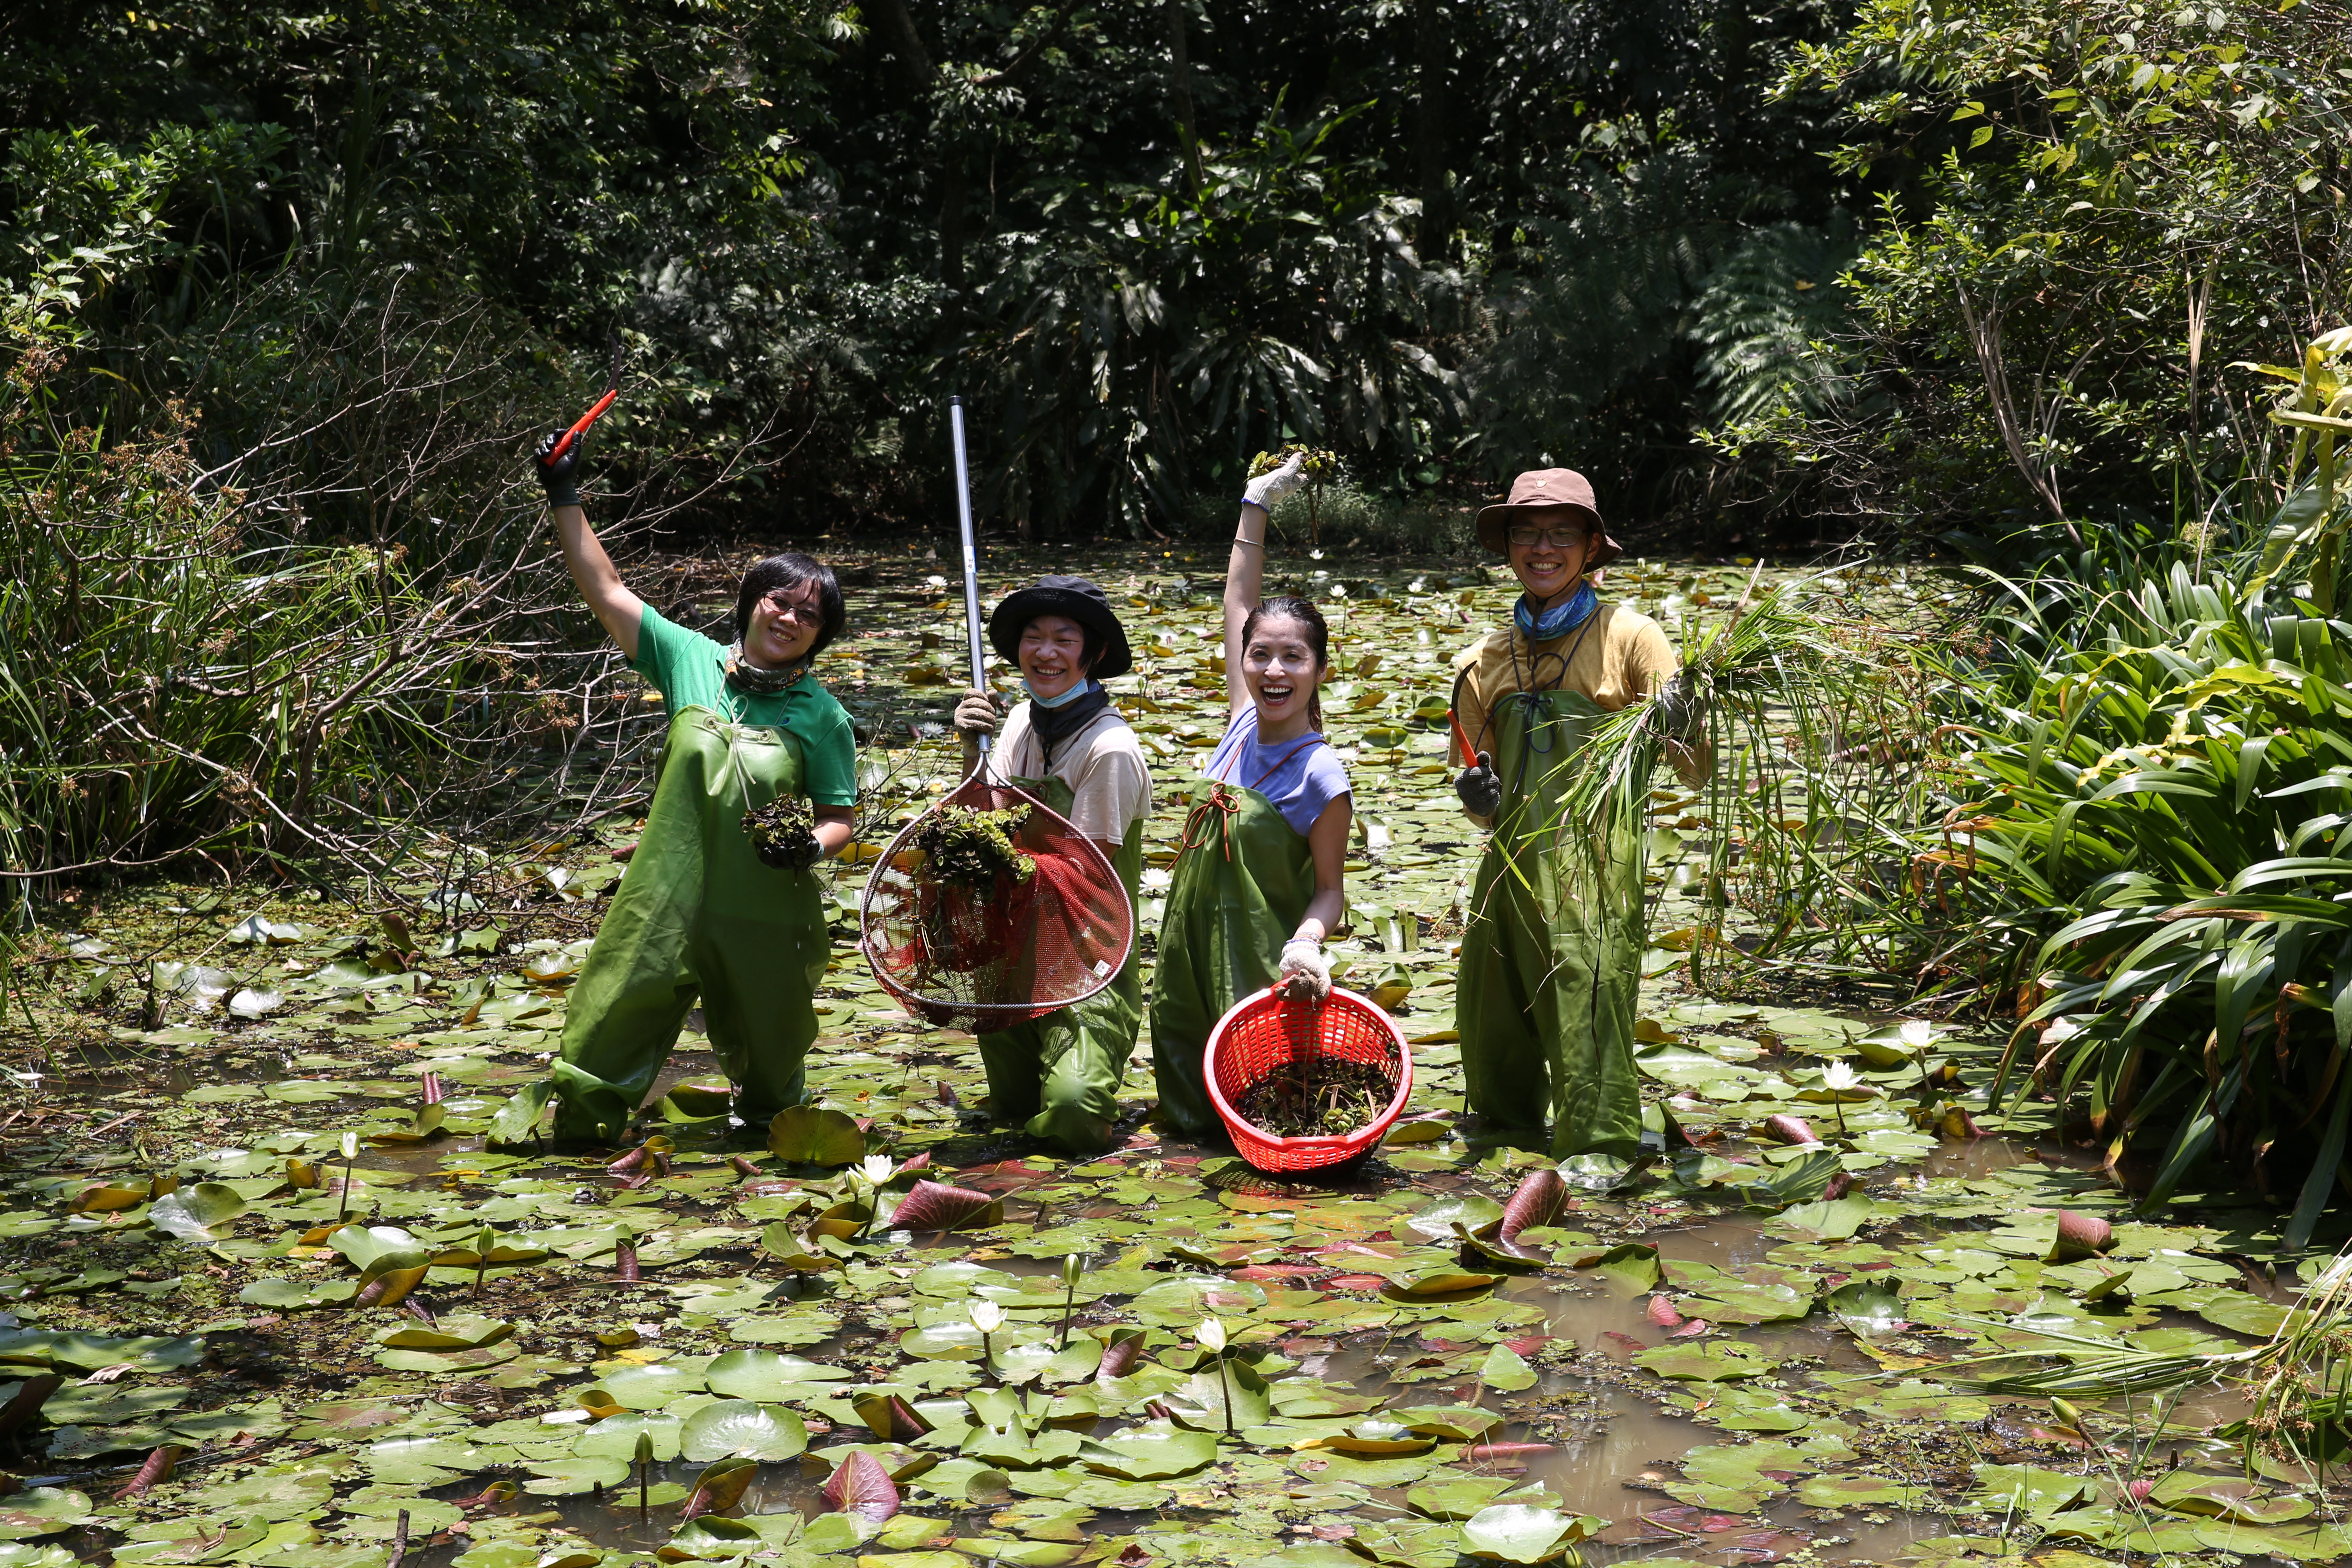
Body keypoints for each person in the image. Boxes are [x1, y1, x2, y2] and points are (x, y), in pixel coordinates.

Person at [530, 432, 857, 1146]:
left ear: (818, 637)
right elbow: (606, 588)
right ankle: (578, 1150)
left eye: (810, 617)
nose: (790, 620)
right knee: (606, 1027)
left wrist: (810, 846)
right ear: (751, 602)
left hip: (764, 906)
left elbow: (840, 817)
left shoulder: (824, 715)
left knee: (773, 1073)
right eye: (781, 601)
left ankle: (769, 1167)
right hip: (665, 895)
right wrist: (564, 494)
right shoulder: (689, 660)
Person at [1450, 468, 1708, 1159]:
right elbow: (1477, 782)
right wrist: (1475, 798)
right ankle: (1501, 1153)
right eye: (1526, 534)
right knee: (1492, 1018)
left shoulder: (1633, 638)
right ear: (1507, 547)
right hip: (1507, 875)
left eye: (1560, 534)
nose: (1542, 548)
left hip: (1594, 871)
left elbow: (1694, 769)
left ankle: (1600, 1163)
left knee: (1587, 1015)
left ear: (1591, 546)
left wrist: (1684, 720)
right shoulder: (1483, 660)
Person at [1148, 455, 1353, 1141]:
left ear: (1320, 671)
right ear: (1241, 661)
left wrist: (1307, 944)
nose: (1273, 670)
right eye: (1260, 655)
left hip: (1259, 962)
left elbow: (1331, 890)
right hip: (1186, 951)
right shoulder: (1240, 722)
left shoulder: (1322, 775)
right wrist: (1253, 505)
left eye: (1293, 658)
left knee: (1258, 1107)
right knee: (1181, 1091)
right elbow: (1239, 601)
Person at [952, 577, 1154, 1154]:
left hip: (1087, 958)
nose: (1045, 653)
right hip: (1015, 949)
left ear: (1091, 655)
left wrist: (989, 854)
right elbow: (982, 815)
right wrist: (973, 753)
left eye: (1063, 639)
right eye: (1033, 637)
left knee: (1070, 1115)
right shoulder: (1015, 720)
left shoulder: (1108, 748)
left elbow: (1083, 873)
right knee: (1011, 1113)